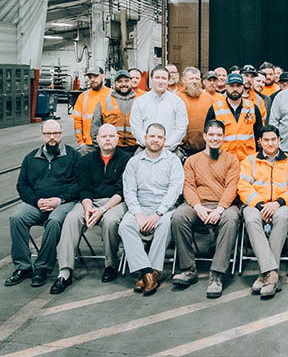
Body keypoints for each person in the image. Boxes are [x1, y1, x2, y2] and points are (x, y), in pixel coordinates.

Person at [50, 124, 131, 294]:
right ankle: (64, 272)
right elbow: (83, 188)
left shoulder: (126, 159)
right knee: (72, 218)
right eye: (104, 136)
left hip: (114, 202)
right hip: (90, 201)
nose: (107, 139)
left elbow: (122, 191)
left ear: (117, 139)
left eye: (111, 136)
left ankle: (110, 264)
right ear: (97, 140)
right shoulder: (86, 160)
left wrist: (102, 210)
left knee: (110, 221)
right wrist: (88, 208)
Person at [171, 120, 241, 298]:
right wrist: (197, 206)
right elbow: (188, 186)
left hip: (224, 206)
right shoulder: (192, 160)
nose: (215, 138)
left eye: (219, 135)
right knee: (178, 216)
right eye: (211, 135)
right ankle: (188, 269)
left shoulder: (232, 160)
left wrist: (219, 209)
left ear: (224, 137)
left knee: (232, 219)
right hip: (198, 205)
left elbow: (231, 187)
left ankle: (216, 274)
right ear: (205, 136)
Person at [6, 120, 79, 287]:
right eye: (48, 134)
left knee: (53, 222)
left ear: (61, 134)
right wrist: (36, 201)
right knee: (16, 218)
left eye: (56, 133)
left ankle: (42, 267)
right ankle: (23, 267)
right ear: (42, 135)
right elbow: (22, 185)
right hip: (37, 204)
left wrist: (60, 200)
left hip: (63, 203)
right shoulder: (31, 158)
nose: (52, 137)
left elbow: (78, 184)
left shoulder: (73, 156)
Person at [238, 125, 288, 298]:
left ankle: (265, 274)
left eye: (273, 139)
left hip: (280, 205)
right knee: (251, 218)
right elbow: (243, 187)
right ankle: (272, 273)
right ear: (259, 142)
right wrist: (261, 205)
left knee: (283, 216)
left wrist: (278, 203)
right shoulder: (249, 161)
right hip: (255, 206)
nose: (270, 143)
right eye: (266, 140)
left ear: (279, 140)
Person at [119, 123, 184, 296]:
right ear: (145, 138)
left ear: (165, 140)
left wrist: (158, 213)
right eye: (152, 136)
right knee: (125, 226)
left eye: (159, 137)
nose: (155, 140)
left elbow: (175, 191)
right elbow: (129, 191)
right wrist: (138, 214)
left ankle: (152, 271)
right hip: (140, 207)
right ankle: (148, 271)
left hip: (165, 208)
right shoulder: (133, 162)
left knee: (164, 225)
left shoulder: (173, 161)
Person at [130, 65, 188, 153]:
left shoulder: (177, 102)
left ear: (168, 80)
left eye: (164, 78)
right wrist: (150, 146)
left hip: (170, 150)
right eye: (157, 77)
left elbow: (181, 128)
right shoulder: (140, 102)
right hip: (145, 150)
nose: (160, 81)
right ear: (151, 79)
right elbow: (136, 128)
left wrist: (167, 145)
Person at [205, 73, 263, 162]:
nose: (235, 89)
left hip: (247, 161)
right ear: (226, 86)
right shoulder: (215, 109)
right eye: (231, 86)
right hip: (222, 160)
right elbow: (208, 138)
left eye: (238, 86)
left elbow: (259, 136)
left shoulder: (252, 108)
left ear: (243, 87)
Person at [91, 70, 138, 155]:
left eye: (126, 81)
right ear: (114, 84)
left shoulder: (139, 102)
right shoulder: (104, 103)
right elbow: (95, 128)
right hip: (112, 150)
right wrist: (101, 148)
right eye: (120, 81)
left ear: (131, 82)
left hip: (136, 149)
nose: (123, 84)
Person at [72, 66, 111, 155]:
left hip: (109, 144)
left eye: (95, 76)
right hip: (88, 146)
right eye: (90, 77)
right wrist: (81, 143)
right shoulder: (83, 97)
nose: (92, 79)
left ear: (103, 76)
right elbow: (77, 122)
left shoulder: (112, 95)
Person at [177, 67, 213, 157]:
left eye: (197, 79)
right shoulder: (176, 99)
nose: (194, 81)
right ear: (183, 80)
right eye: (191, 79)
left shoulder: (208, 98)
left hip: (205, 150)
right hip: (181, 150)